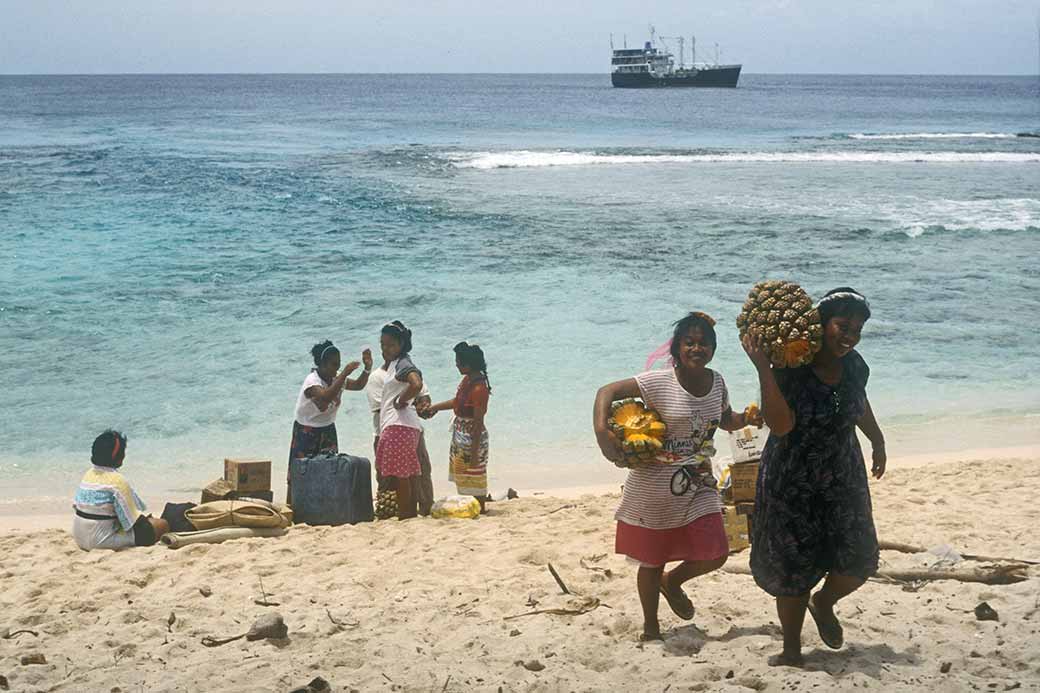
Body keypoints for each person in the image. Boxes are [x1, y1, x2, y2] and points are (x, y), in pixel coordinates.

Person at [593, 312, 761, 641]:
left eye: (704, 343)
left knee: (717, 551)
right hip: (653, 485)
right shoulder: (658, 382)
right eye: (690, 342)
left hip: (698, 481)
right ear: (677, 348)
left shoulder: (718, 382)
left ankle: (672, 582)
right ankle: (651, 627)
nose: (697, 348)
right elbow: (606, 391)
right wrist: (602, 432)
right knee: (652, 560)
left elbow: (725, 419)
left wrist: (748, 418)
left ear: (713, 349)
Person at [743, 287, 886, 667]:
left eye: (857, 330)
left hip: (843, 473)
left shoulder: (855, 366)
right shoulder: (790, 367)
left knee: (860, 557)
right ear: (821, 324)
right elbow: (781, 426)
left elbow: (857, 403)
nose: (850, 336)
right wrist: (763, 369)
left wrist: (877, 439)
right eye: (843, 326)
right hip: (791, 477)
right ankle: (791, 649)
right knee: (792, 567)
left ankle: (823, 602)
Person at [288, 340, 372, 504]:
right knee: (299, 474)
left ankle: (323, 509)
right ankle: (291, 508)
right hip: (306, 430)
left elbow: (358, 385)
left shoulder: (336, 378)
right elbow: (325, 396)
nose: (337, 368)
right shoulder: (312, 381)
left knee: (328, 473)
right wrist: (344, 374)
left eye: (338, 364)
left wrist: (367, 368)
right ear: (322, 365)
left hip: (327, 430)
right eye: (334, 364)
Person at [72, 430, 169, 551]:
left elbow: (78, 507)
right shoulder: (117, 481)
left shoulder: (87, 475)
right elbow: (133, 521)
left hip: (79, 538)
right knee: (162, 524)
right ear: (119, 456)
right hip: (99, 542)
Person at [425, 342, 492, 512]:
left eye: (459, 362)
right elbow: (457, 402)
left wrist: (474, 453)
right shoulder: (468, 380)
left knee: (475, 476)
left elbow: (478, 424)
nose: (456, 364)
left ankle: (480, 508)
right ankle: (470, 508)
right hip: (460, 436)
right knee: (463, 475)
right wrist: (434, 408)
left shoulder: (479, 389)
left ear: (469, 364)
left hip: (472, 438)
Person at [367, 362, 435, 516]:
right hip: (387, 432)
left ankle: (422, 510)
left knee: (420, 473)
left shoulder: (411, 372)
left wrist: (424, 406)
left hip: (412, 430)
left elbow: (422, 394)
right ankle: (397, 512)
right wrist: (405, 401)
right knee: (390, 479)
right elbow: (383, 407)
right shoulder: (378, 377)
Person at [376, 321, 424, 520]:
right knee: (406, 475)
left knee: (401, 477)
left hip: (398, 426)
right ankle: (409, 514)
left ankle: (405, 516)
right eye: (382, 344)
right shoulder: (396, 364)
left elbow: (416, 384)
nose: (385, 349)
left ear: (401, 344)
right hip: (405, 426)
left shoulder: (403, 363)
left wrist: (401, 400)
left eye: (390, 345)